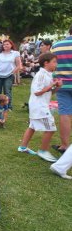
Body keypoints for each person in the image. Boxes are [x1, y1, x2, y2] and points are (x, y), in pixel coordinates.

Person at [18, 53, 62, 162]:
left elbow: (48, 93)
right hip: (39, 106)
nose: (56, 64)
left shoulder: (48, 74)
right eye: (54, 62)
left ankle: (22, 147)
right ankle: (43, 151)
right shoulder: (41, 75)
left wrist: (57, 87)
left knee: (32, 126)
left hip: (39, 105)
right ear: (46, 63)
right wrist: (52, 85)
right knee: (51, 128)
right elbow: (37, 92)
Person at [51, 26, 72, 154]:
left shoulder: (57, 45)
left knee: (64, 113)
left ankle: (64, 145)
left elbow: (52, 64)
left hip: (62, 84)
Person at [0, 39, 22, 109]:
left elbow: (19, 65)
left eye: (7, 44)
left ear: (11, 45)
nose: (5, 45)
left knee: (7, 91)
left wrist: (13, 72)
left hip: (8, 75)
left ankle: (8, 106)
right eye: (4, 44)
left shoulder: (15, 53)